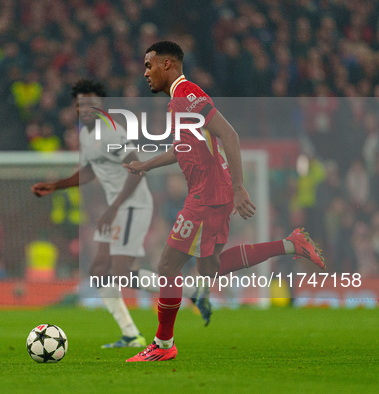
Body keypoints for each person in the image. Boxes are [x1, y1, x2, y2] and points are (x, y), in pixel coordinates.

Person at [123, 41, 325, 362]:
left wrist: (240, 188)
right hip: (208, 193)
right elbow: (182, 150)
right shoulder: (177, 101)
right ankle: (291, 244)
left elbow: (229, 134)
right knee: (209, 269)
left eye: (149, 66)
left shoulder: (188, 94)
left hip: (207, 195)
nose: (145, 73)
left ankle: (163, 345)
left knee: (167, 266)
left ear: (167, 65)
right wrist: (145, 166)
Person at [32, 79, 208, 348]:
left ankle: (193, 291)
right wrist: (56, 185)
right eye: (82, 104)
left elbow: (136, 169)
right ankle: (130, 334)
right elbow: (91, 170)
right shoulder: (85, 135)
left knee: (122, 272)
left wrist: (114, 208)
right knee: (100, 270)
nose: (87, 108)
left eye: (93, 103)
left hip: (133, 205)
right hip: (116, 207)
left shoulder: (111, 132)